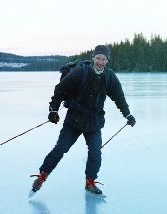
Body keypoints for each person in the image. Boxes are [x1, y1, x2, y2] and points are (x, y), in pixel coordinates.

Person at [31, 45, 136, 195]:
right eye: (98, 58)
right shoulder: (81, 72)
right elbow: (60, 89)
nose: (100, 62)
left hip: (94, 122)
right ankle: (42, 177)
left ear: (107, 61)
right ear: (93, 58)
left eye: (103, 59)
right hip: (74, 120)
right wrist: (53, 109)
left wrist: (127, 114)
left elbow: (119, 98)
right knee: (61, 148)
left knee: (95, 153)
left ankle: (90, 182)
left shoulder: (110, 77)